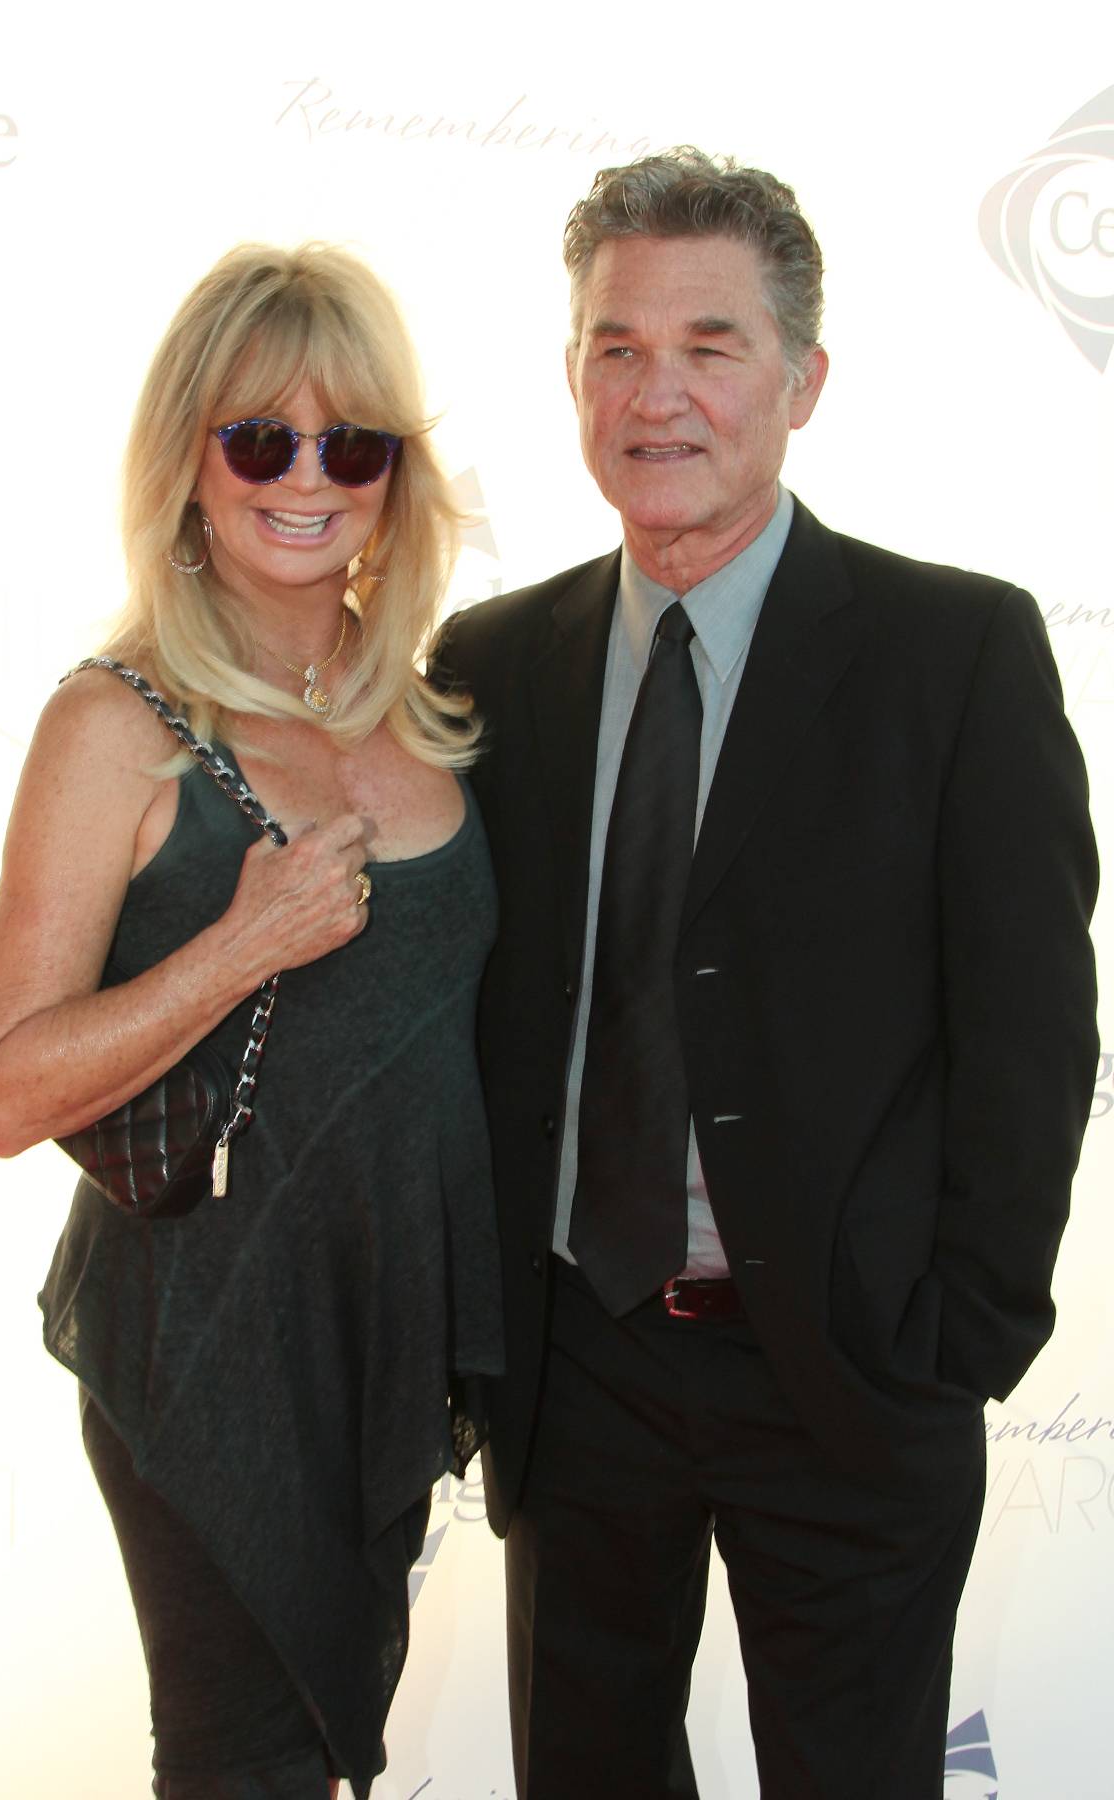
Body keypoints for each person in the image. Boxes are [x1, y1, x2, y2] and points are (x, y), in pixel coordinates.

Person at [432, 149, 1099, 1799]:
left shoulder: (956, 651)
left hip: (852, 1372)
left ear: (803, 382)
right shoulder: (488, 664)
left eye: (709, 346)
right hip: (578, 1365)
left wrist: (958, 1335)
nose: (656, 394)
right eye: (616, 348)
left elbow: (1033, 1031)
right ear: (573, 378)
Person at [0, 243, 502, 1800]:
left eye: (354, 443)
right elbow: (0, 1090)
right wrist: (240, 945)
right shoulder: (114, 724)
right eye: (261, 440)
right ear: (189, 462)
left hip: (385, 1331)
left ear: (398, 472)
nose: (309, 479)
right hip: (206, 1336)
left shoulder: (434, 711)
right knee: (243, 1761)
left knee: (313, 1749)